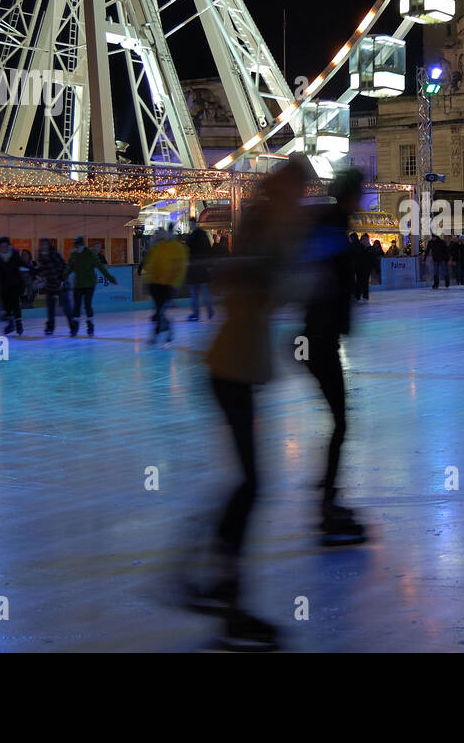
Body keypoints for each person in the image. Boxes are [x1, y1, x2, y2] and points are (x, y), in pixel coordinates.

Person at [196, 155, 311, 650]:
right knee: (250, 483)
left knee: (247, 483)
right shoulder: (266, 232)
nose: (301, 200)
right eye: (299, 191)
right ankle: (223, 591)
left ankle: (217, 582)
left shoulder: (265, 231)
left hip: (235, 367)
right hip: (232, 367)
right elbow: (262, 283)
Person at [300, 167, 367, 545]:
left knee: (339, 421)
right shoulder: (331, 226)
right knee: (340, 421)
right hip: (318, 338)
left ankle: (326, 493)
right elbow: (320, 280)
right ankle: (326, 504)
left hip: (318, 337)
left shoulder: (330, 224)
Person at [141, 227, 190, 342]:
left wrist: (174, 283)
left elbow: (179, 267)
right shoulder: (156, 249)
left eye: (158, 235)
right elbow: (151, 266)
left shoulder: (174, 248)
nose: (156, 236)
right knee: (158, 312)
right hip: (156, 285)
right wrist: (148, 282)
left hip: (167, 286)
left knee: (160, 312)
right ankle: (161, 332)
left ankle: (160, 333)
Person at [66, 236, 117, 335]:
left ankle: (90, 325)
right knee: (77, 305)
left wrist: (111, 278)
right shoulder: (74, 254)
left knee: (87, 305)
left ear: (83, 245)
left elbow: (101, 267)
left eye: (79, 246)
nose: (78, 248)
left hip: (89, 284)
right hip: (78, 284)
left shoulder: (90, 254)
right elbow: (70, 268)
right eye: (76, 246)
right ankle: (75, 327)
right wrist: (63, 278)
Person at [0, 237, 28, 335]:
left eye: (5, 246)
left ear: (9, 246)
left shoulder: (15, 254)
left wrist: (33, 268)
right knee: (7, 305)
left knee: (15, 303)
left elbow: (22, 263)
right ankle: (11, 323)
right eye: (2, 246)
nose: (4, 248)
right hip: (5, 285)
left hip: (15, 284)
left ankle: (18, 324)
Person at [36, 238, 75, 336]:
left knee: (66, 307)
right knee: (50, 308)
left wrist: (62, 280)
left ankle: (73, 326)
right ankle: (50, 327)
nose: (43, 247)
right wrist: (40, 277)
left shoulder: (55, 254)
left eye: (45, 245)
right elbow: (42, 269)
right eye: (42, 245)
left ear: (48, 246)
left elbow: (64, 266)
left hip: (61, 284)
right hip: (50, 286)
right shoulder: (40, 256)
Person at [185, 218, 215, 321]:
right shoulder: (202, 235)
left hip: (195, 267)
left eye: (190, 224)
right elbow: (208, 250)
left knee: (195, 292)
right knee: (203, 291)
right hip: (200, 267)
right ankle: (209, 310)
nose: (190, 226)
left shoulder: (192, 237)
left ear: (193, 224)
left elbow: (189, 251)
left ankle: (196, 313)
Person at [351, 231, 372, 301]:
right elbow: (359, 257)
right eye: (364, 239)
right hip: (360, 267)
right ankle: (359, 295)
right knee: (360, 281)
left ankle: (363, 295)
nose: (365, 240)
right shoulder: (360, 246)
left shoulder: (368, 247)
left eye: (366, 239)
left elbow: (371, 257)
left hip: (365, 267)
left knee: (364, 281)